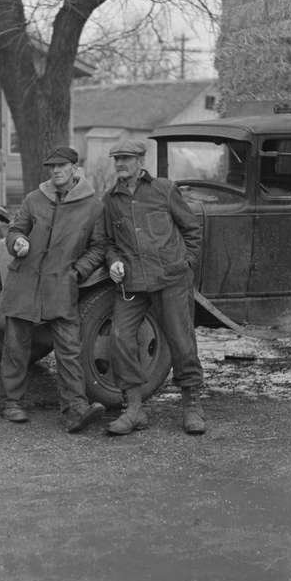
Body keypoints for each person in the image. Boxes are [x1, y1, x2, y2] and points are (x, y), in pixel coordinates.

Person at [0, 145, 106, 433]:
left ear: (75, 168)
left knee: (69, 348)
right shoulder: (35, 199)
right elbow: (15, 229)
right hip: (25, 280)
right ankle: (11, 402)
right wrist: (17, 242)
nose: (56, 171)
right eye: (52, 167)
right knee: (16, 345)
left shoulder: (93, 206)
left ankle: (75, 409)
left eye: (62, 166)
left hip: (61, 283)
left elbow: (99, 248)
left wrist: (77, 271)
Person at [103, 139, 205, 436]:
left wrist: (188, 263)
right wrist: (113, 261)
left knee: (181, 339)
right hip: (133, 283)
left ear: (140, 161)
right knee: (120, 337)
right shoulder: (111, 200)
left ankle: (192, 405)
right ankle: (134, 408)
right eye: (116, 159)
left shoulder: (163, 189)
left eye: (126, 158)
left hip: (171, 278)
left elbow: (191, 228)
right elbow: (108, 242)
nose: (120, 164)